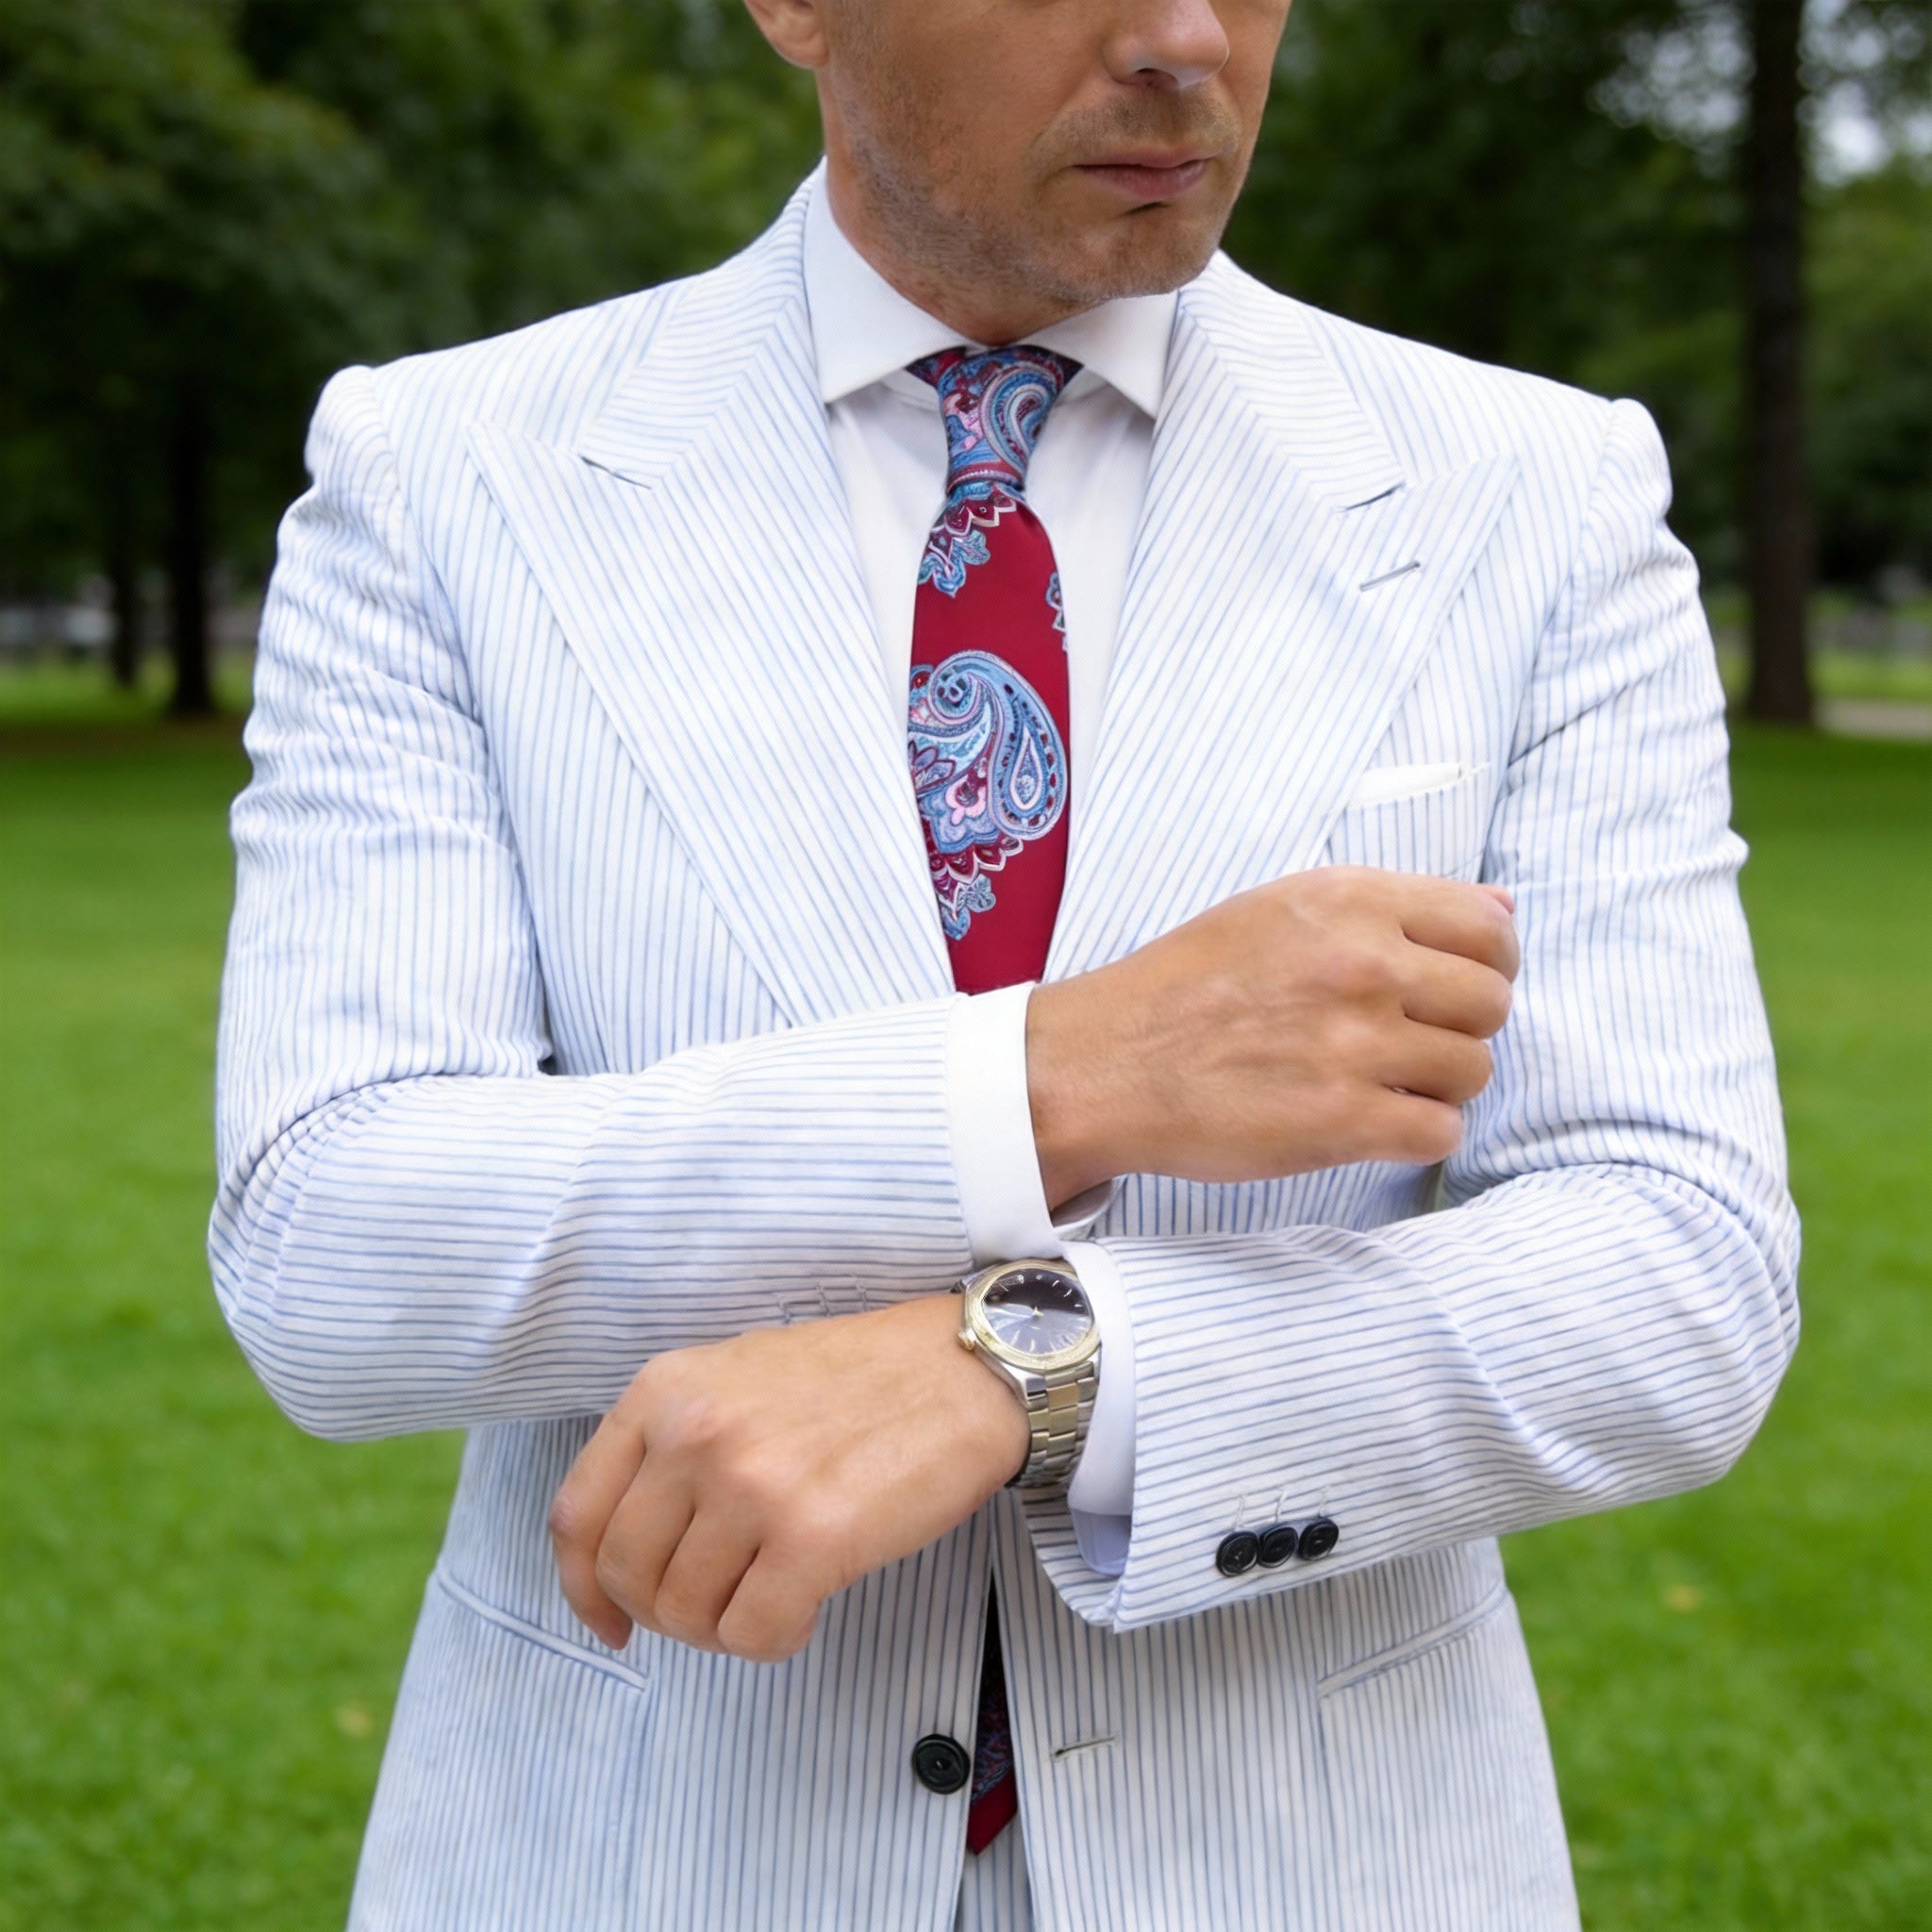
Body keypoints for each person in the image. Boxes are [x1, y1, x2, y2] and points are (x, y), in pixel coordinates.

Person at [208, 0, 1799, 1925]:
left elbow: (1675, 1272)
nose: (1183, 36)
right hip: (637, 1854)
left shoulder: (1533, 494)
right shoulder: (446, 472)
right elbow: (331, 1239)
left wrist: (1036, 1370)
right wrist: (1053, 1078)